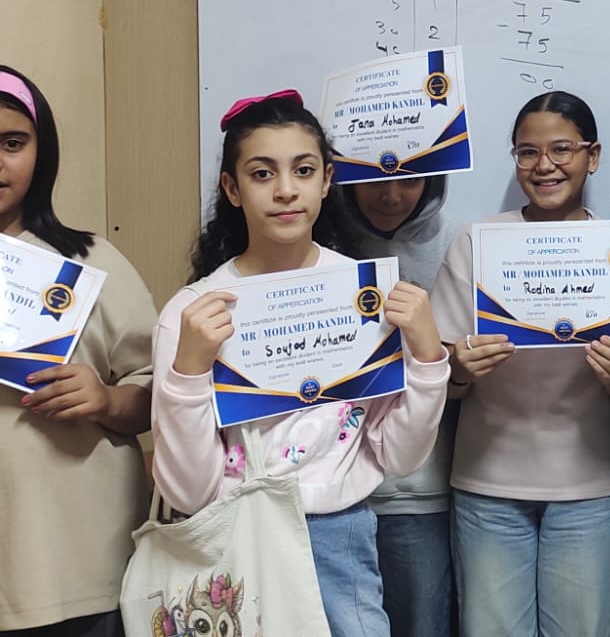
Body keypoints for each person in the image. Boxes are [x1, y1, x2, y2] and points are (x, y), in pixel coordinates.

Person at [151, 90, 449, 637]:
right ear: (231, 188)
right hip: (235, 538)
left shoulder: (369, 300)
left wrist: (428, 358)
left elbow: (399, 456)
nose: (286, 189)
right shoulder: (192, 315)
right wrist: (189, 372)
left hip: (340, 538)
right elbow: (188, 492)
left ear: (327, 180)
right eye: (262, 174)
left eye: (303, 170)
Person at [432, 91, 610, 636]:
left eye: (562, 149)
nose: (544, 165)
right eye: (527, 153)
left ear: (592, 156)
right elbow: (442, 379)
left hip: (589, 490)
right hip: (488, 485)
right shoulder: (476, 243)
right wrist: (460, 369)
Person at [0, 66, 157, 637]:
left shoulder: (93, 262)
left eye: (12, 142)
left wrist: (104, 399)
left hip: (77, 567)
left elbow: (164, 393)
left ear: (43, 153)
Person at [342, 175, 460, 637]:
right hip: (329, 497)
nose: (390, 196)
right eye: (373, 180)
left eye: (410, 180)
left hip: (420, 490)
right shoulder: (313, 242)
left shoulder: (460, 241)